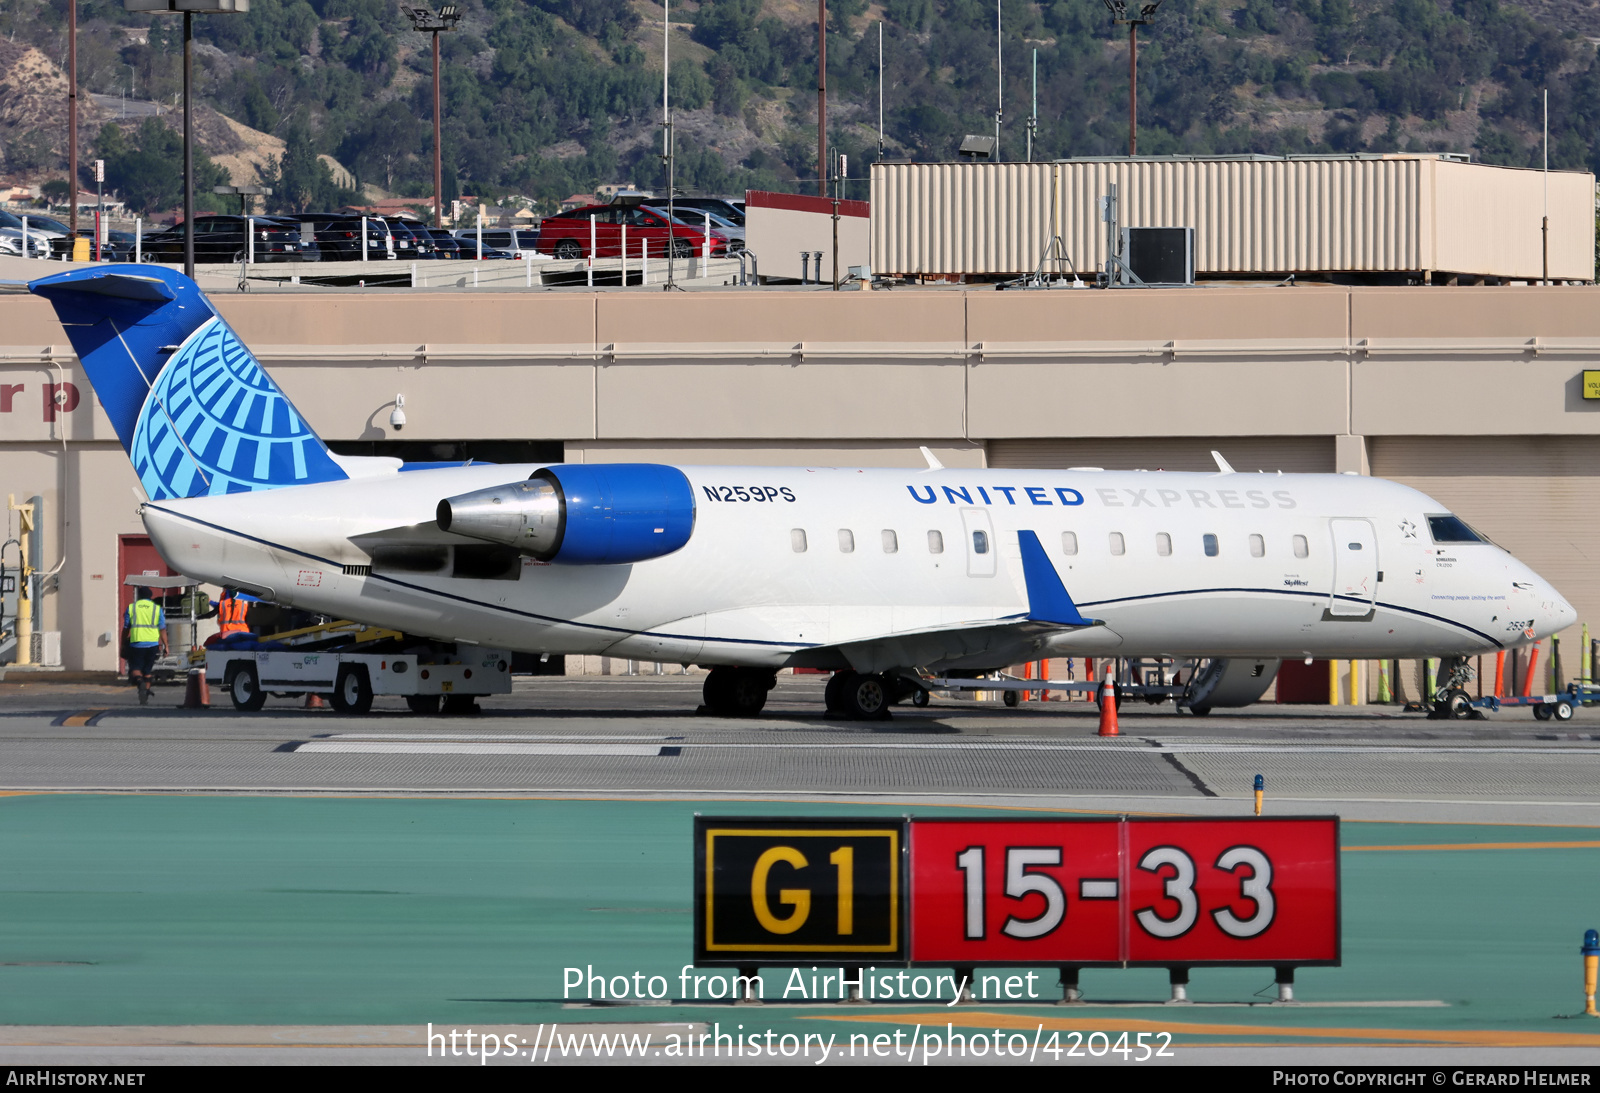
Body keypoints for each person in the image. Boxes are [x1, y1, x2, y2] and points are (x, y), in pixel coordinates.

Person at [122, 586, 167, 705]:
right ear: (150, 596)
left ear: (139, 596)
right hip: (152, 644)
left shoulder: (132, 608)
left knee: (135, 669)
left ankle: (140, 683)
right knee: (148, 670)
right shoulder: (157, 609)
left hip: (136, 643)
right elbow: (162, 629)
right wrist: (166, 646)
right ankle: (145, 695)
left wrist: (122, 642)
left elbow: (126, 628)